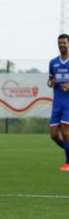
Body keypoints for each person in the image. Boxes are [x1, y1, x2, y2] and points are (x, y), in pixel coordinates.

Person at [47, 33, 69, 171]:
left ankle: (68, 162)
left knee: (66, 132)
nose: (61, 45)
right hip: (57, 103)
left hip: (68, 103)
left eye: (64, 43)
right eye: (59, 43)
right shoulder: (53, 62)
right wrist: (51, 82)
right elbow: (49, 80)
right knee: (54, 135)